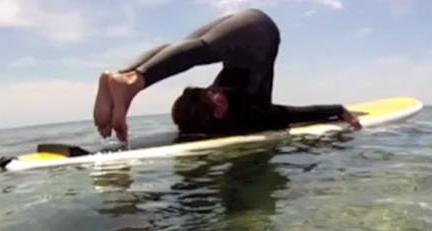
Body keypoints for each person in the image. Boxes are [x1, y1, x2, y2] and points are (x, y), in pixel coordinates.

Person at [93, 8, 361, 142]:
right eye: (213, 97)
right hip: (254, 30)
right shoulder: (254, 113)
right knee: (190, 49)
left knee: (192, 49)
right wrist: (337, 110)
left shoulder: (232, 106)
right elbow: (293, 113)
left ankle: (127, 78)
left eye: (208, 91)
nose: (217, 92)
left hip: (248, 32)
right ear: (219, 111)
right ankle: (125, 78)